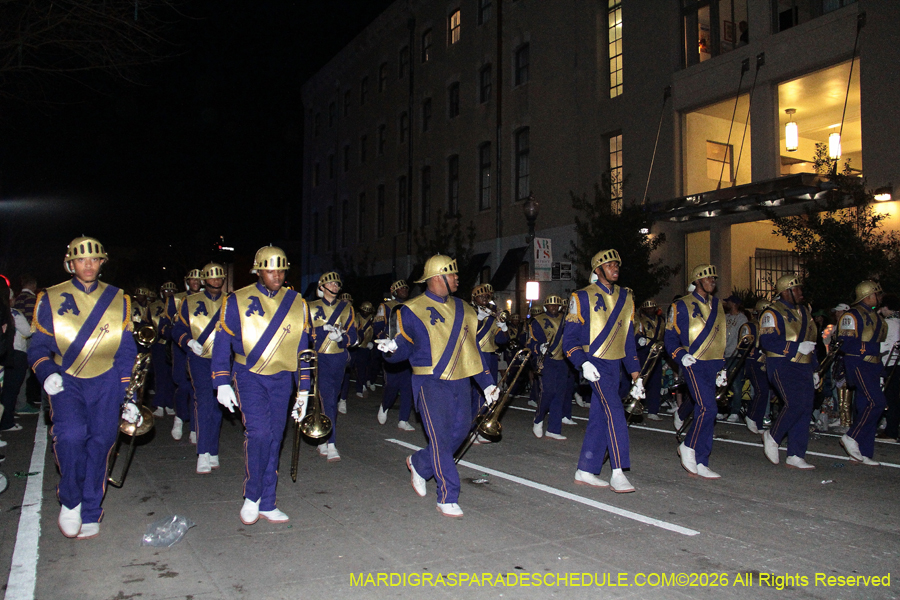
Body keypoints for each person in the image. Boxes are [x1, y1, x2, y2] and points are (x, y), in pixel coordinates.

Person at [28, 237, 138, 539]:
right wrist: (47, 371)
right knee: (72, 436)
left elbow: (127, 351)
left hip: (106, 380)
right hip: (67, 379)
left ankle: (91, 508)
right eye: (81, 260)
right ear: (70, 263)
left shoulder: (119, 299)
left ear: (102, 262)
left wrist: (129, 394)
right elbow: (37, 346)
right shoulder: (50, 297)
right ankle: (71, 501)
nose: (87, 265)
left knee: (101, 443)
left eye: (94, 260)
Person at [376, 255, 498, 517]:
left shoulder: (466, 309)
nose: (457, 278)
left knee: (460, 432)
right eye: (451, 274)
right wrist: (391, 350)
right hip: (429, 382)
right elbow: (404, 347)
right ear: (435, 279)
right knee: (441, 439)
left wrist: (487, 384)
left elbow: (473, 349)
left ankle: (420, 463)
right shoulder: (410, 309)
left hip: (460, 380)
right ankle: (447, 494)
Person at [212, 246, 311, 524]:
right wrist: (221, 381)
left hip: (282, 378)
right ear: (258, 270)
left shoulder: (297, 302)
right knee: (259, 434)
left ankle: (267, 501)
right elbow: (222, 344)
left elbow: (303, 350)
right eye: (270, 270)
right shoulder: (237, 300)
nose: (277, 275)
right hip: (249, 375)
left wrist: (304, 389)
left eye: (281, 270)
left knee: (275, 438)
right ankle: (251, 495)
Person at [564, 249, 639, 492]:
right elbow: (570, 340)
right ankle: (618, 470)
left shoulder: (627, 297)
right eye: (608, 265)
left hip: (615, 364)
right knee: (615, 411)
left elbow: (628, 340)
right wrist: (582, 363)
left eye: (616, 264)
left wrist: (636, 375)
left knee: (599, 417)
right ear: (597, 270)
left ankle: (586, 469)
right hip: (594, 364)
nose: (615, 268)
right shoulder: (581, 297)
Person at [665, 264, 727, 479]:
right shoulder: (681, 305)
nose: (712, 281)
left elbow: (721, 339)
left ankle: (702, 459)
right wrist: (681, 355)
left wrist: (722, 367)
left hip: (713, 364)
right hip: (693, 362)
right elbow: (670, 338)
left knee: (709, 411)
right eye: (708, 278)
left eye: (714, 278)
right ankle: (688, 445)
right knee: (707, 407)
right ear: (697, 280)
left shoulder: (718, 305)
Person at [759, 274, 819, 470]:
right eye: (797, 289)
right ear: (786, 291)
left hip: (803, 365)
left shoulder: (805, 312)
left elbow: (811, 342)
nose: (801, 292)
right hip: (782, 364)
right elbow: (767, 341)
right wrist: (794, 348)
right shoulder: (772, 313)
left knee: (805, 407)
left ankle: (796, 453)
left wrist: (815, 368)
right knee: (795, 403)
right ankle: (773, 435)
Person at [174, 263, 227, 474]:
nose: (216, 281)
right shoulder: (190, 301)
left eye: (219, 278)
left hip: (223, 360)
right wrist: (188, 341)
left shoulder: (230, 302)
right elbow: (177, 328)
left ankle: (213, 450)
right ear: (204, 280)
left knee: (218, 405)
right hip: (200, 358)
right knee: (204, 401)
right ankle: (202, 452)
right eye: (211, 278)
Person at [308, 272, 357, 460]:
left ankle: (322, 437)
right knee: (327, 399)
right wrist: (321, 331)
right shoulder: (310, 307)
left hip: (339, 359)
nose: (335, 287)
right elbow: (303, 335)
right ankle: (331, 443)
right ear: (322, 287)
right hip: (320, 358)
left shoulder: (347, 308)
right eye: (331, 284)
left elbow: (354, 336)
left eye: (337, 284)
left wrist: (342, 338)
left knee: (331, 400)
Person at [837, 281, 886, 465]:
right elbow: (845, 341)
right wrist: (867, 349)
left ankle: (865, 452)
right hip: (858, 362)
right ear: (867, 296)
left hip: (872, 365)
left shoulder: (876, 316)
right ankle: (851, 437)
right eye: (876, 294)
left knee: (866, 405)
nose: (879, 298)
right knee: (877, 402)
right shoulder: (853, 315)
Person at [168, 269, 203, 442]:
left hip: (201, 347)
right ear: (187, 281)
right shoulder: (177, 298)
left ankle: (196, 427)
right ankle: (180, 417)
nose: (195, 282)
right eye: (192, 279)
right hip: (182, 347)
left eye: (199, 279)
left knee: (198, 387)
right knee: (183, 385)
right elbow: (167, 326)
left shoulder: (207, 298)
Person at [374, 280, 415, 430]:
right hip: (392, 349)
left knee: (407, 385)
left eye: (406, 288)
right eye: (401, 288)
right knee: (392, 384)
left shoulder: (412, 306)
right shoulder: (385, 306)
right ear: (394, 291)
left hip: (408, 348)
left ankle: (403, 419)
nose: (404, 290)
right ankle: (385, 405)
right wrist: (386, 339)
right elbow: (377, 327)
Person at [471, 284, 509, 438]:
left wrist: (504, 327)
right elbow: (466, 334)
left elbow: (501, 340)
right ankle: (470, 426)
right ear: (474, 298)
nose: (485, 299)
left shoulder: (494, 314)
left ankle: (479, 426)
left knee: (489, 395)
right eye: (482, 296)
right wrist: (478, 319)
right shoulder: (469, 311)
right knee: (473, 394)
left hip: (491, 357)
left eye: (487, 296)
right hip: (474, 355)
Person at [530, 295, 568, 440]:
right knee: (548, 391)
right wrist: (539, 347)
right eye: (551, 306)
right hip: (547, 360)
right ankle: (538, 419)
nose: (554, 308)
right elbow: (530, 342)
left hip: (563, 360)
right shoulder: (537, 320)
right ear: (546, 307)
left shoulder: (566, 320)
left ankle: (554, 428)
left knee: (559, 395)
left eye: (557, 305)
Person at [148, 282, 177, 417]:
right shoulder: (153, 307)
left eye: (172, 290)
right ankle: (159, 404)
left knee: (172, 375)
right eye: (166, 290)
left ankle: (170, 403)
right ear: (161, 292)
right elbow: (145, 324)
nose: (169, 292)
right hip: (158, 344)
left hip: (174, 344)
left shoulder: (179, 304)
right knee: (160, 374)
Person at [742, 300, 770, 434]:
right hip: (753, 361)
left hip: (767, 362)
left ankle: (758, 421)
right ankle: (751, 416)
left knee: (765, 392)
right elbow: (743, 346)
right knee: (761, 389)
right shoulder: (749, 326)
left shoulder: (770, 326)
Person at [635, 299, 665, 420]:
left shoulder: (661, 321)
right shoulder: (640, 321)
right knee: (641, 380)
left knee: (655, 381)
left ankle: (653, 410)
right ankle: (637, 406)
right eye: (647, 308)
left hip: (657, 353)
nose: (650, 310)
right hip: (644, 353)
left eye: (652, 308)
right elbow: (636, 335)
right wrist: (640, 341)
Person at [721, 294, 748, 422]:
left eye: (729, 302)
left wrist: (739, 350)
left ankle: (735, 411)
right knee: (722, 383)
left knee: (736, 384)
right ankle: (722, 409)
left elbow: (744, 336)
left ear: (734, 304)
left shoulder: (742, 319)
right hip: (723, 354)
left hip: (735, 355)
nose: (727, 304)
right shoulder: (725, 317)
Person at [878, 294, 900, 442]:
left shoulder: (888, 323)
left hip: (890, 363)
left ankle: (891, 432)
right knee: (895, 398)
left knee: (890, 398)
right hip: (898, 364)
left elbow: (881, 344)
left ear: (886, 307)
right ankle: (892, 429)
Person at [350, 301, 376, 399]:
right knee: (356, 368)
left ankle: (363, 385)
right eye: (364, 310)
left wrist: (372, 342)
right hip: (356, 345)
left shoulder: (373, 319)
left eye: (368, 311)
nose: (366, 312)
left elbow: (375, 332)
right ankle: (359, 387)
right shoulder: (356, 318)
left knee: (365, 367)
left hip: (366, 346)